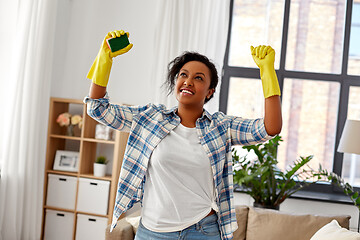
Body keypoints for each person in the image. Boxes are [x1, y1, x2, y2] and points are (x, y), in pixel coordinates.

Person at [84, 30, 282, 240]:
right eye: (183, 75)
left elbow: (270, 128)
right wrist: (104, 57)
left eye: (198, 78)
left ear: (210, 91)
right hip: (152, 232)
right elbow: (97, 108)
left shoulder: (221, 127)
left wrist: (267, 71)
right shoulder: (150, 118)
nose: (188, 81)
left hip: (203, 231)